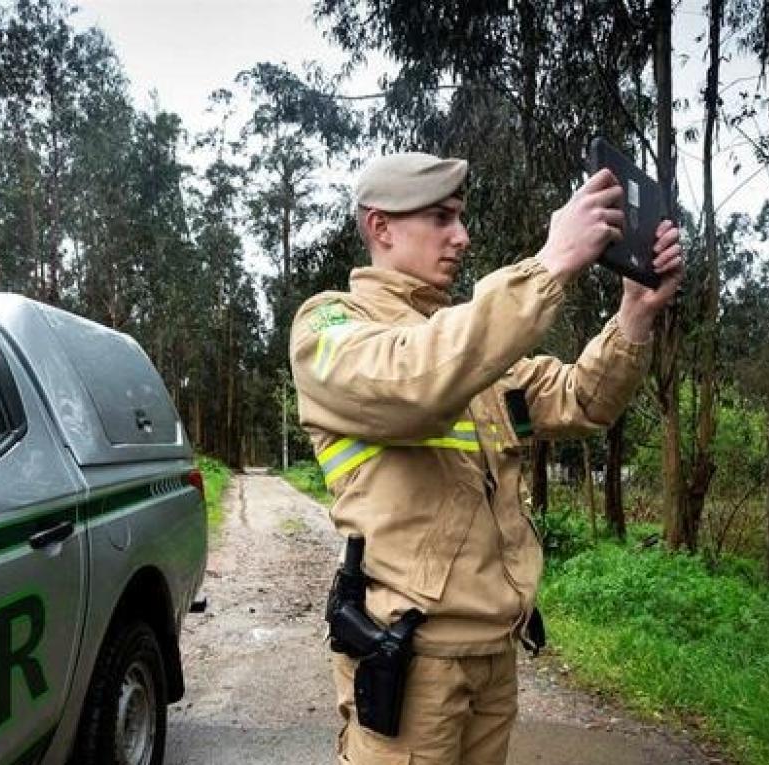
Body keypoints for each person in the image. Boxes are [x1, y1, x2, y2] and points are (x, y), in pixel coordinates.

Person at [288, 152, 684, 765]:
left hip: (493, 652)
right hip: (414, 656)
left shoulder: (470, 340)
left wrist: (634, 313)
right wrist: (550, 264)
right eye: (441, 217)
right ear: (380, 227)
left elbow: (580, 399)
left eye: (461, 218)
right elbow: (413, 382)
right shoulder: (330, 326)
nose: (462, 236)